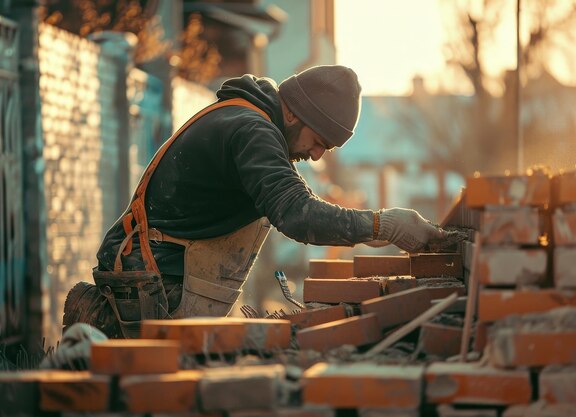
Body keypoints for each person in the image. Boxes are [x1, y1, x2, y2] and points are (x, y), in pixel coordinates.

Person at [63, 65, 460, 338]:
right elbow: (298, 214)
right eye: (319, 141)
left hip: (162, 274)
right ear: (297, 114)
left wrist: (368, 228)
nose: (317, 155)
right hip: (153, 279)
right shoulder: (252, 130)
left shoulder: (252, 124)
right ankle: (94, 327)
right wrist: (383, 225)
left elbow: (300, 201)